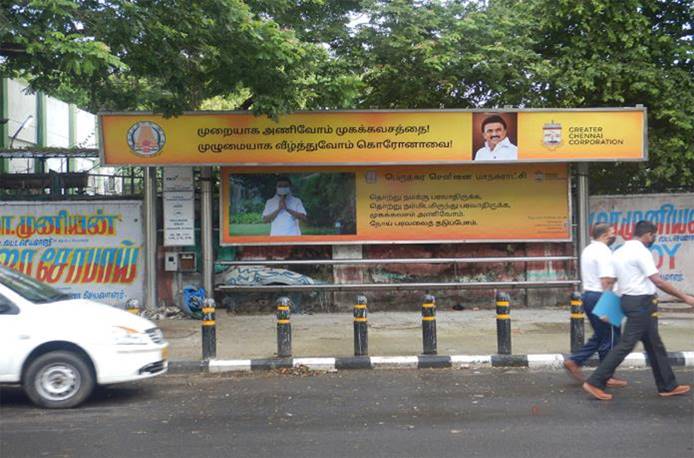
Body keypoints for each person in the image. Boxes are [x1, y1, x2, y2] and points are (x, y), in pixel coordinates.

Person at [582, 220, 694, 401]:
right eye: (653, 236)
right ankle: (595, 382)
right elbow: (657, 281)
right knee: (626, 344)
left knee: (654, 345)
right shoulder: (641, 252)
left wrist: (608, 309)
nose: (653, 239)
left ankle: (668, 385)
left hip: (629, 301)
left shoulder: (619, 251)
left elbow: (611, 281)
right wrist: (686, 298)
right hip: (641, 304)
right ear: (648, 235)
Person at [563, 224, 626, 387]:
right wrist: (608, 303)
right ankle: (606, 375)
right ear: (605, 235)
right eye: (612, 233)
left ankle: (575, 361)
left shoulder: (588, 250)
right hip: (603, 294)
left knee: (601, 335)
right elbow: (606, 279)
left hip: (589, 295)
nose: (614, 236)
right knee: (612, 337)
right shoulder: (603, 251)